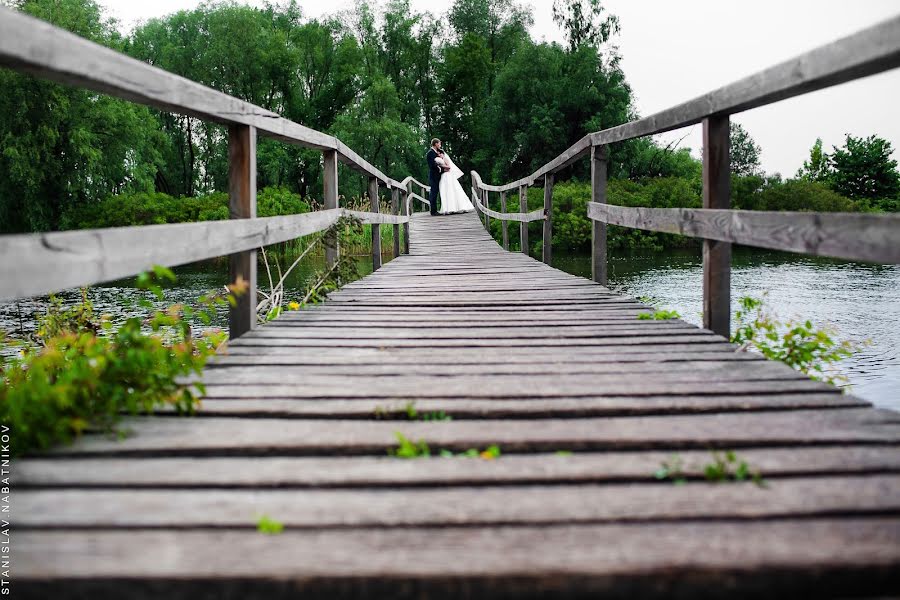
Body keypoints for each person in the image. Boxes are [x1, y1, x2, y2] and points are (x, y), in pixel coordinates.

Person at [433, 149, 475, 214]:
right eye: (438, 154)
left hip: (448, 176)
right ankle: (449, 208)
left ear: (443, 154)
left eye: (440, 154)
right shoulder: (439, 160)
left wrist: (440, 165)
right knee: (446, 191)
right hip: (444, 176)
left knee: (451, 190)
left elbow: (449, 167)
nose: (439, 155)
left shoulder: (445, 159)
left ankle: (456, 207)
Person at [425, 138, 444, 216]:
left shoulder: (437, 152)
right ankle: (433, 211)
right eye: (439, 144)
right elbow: (432, 165)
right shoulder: (430, 153)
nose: (440, 145)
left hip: (438, 175)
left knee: (436, 192)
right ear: (435, 144)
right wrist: (439, 168)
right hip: (434, 175)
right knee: (433, 192)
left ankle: (435, 209)